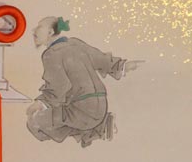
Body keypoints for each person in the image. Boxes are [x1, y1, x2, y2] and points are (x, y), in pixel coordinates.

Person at [26, 16, 143, 148]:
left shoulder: (51, 54)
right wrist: (122, 66)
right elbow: (102, 60)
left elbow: (57, 88)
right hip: (101, 105)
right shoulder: (75, 43)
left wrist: (40, 103)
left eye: (39, 27)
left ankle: (96, 131)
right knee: (59, 113)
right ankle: (100, 126)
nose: (34, 30)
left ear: (50, 32)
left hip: (80, 110)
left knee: (34, 121)